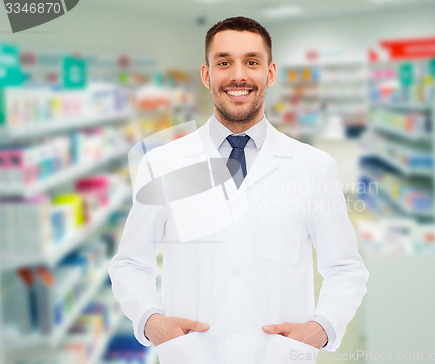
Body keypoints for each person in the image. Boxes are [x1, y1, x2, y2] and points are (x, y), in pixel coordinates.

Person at [108, 16, 368, 364]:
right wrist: (151, 321)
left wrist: (321, 327)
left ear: (270, 73)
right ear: (206, 75)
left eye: (252, 62)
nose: (238, 75)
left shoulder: (313, 167)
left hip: (279, 356)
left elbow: (346, 269)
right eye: (224, 62)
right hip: (193, 355)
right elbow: (130, 263)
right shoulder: (165, 163)